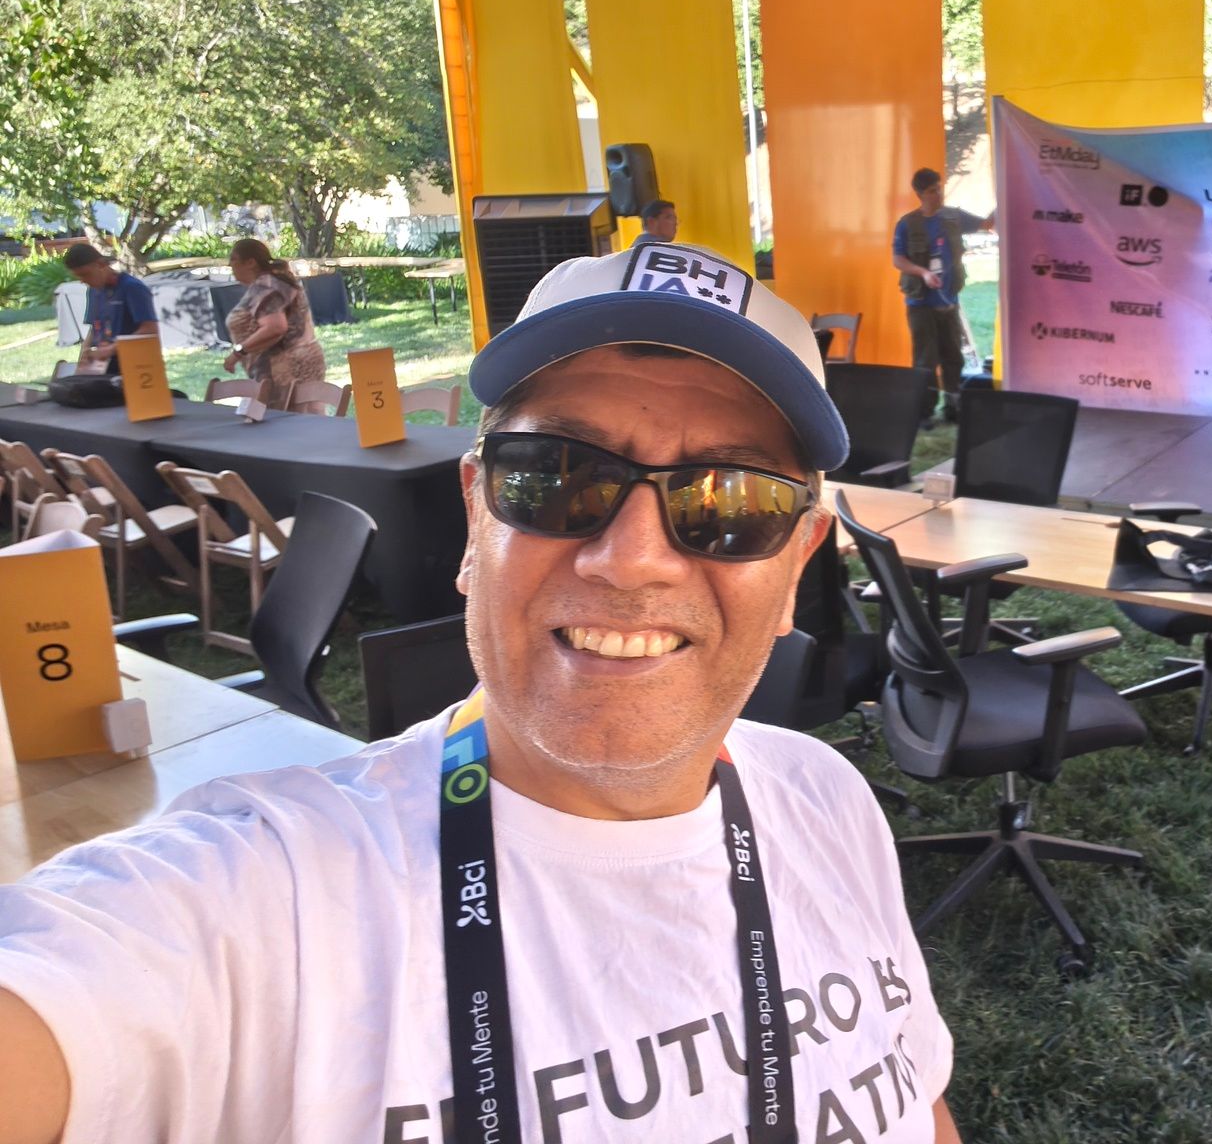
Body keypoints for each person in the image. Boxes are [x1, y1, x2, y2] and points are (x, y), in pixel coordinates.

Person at [0, 237, 959, 1144]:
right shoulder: (260, 902)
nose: (631, 560)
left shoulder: (826, 798)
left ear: (796, 566)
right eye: (555, 476)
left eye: (732, 501)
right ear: (474, 521)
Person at [891, 168, 994, 426]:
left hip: (949, 303)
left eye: (939, 188)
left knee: (953, 357)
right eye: (932, 191)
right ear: (919, 194)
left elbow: (987, 224)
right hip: (920, 305)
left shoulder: (953, 217)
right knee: (925, 361)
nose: (938, 194)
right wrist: (923, 273)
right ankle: (925, 412)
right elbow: (898, 259)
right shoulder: (907, 224)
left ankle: (952, 406)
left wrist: (1004, 197)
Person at [221, 238, 330, 413]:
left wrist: (238, 352)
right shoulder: (275, 280)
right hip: (299, 361)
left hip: (286, 369)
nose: (230, 264)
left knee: (290, 423)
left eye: (233, 259)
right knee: (310, 419)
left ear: (250, 262)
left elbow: (275, 327)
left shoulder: (267, 286)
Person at [60, 241, 156, 373]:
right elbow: (94, 328)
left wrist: (111, 349)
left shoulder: (132, 287)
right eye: (79, 277)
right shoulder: (93, 291)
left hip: (136, 366)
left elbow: (150, 329)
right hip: (105, 366)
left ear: (101, 264)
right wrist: (83, 356)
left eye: (85, 274)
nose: (83, 281)